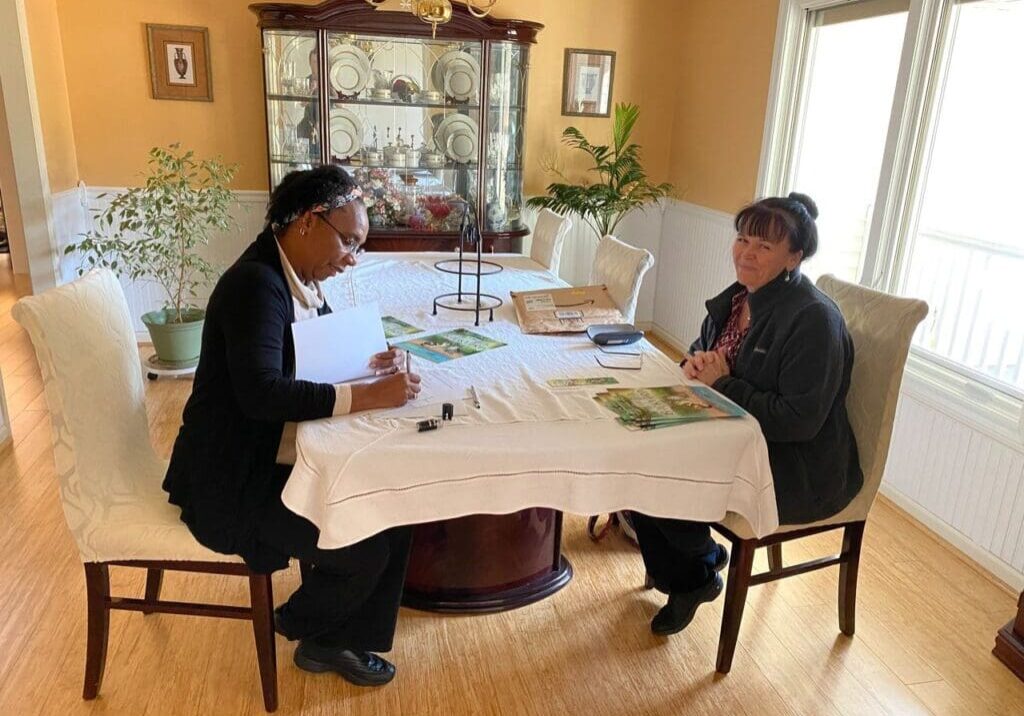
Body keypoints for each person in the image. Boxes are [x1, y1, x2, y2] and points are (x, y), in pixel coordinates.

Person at [164, 165, 420, 686]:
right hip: (234, 481)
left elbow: (312, 348)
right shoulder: (255, 286)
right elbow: (262, 394)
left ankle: (343, 635)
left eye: (358, 246)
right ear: (308, 222)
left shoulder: (293, 273)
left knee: (393, 505)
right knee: (366, 547)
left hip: (278, 454)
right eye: (348, 242)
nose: (350, 259)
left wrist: (371, 359)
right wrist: (366, 394)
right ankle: (306, 630)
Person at [631, 192, 863, 636]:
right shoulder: (740, 298)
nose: (746, 252)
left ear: (795, 257)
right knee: (638, 445)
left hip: (795, 467)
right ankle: (698, 557)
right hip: (733, 436)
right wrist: (696, 364)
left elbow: (798, 420)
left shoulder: (814, 320)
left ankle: (694, 576)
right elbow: (708, 352)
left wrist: (723, 383)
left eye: (764, 246)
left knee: (657, 467)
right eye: (742, 239)